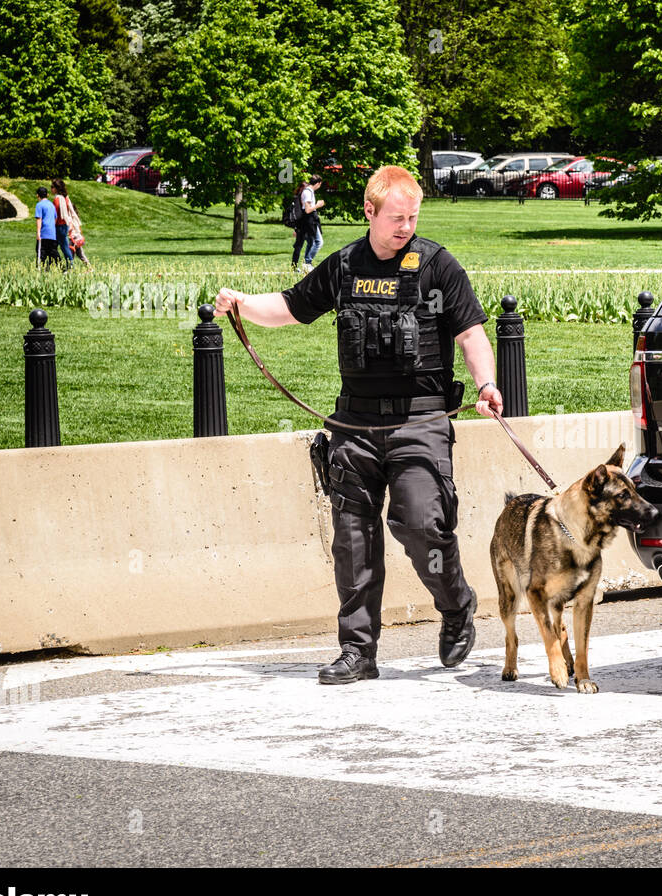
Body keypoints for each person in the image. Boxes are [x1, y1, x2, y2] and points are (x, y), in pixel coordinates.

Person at [214, 165, 504, 685]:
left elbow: (471, 333)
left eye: (413, 217)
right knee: (351, 538)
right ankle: (357, 650)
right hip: (354, 424)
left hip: (421, 420)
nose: (405, 227)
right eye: (396, 217)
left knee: (421, 525)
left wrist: (486, 384)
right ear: (369, 212)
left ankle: (455, 602)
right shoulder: (345, 265)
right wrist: (241, 304)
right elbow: (290, 307)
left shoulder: (437, 265)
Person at [292, 173, 324, 273]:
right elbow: (307, 210)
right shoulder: (308, 192)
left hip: (311, 220)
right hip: (309, 219)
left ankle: (306, 263)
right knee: (319, 242)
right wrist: (318, 205)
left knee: (310, 242)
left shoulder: (309, 191)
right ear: (318, 183)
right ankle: (307, 263)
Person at [50, 179, 79, 270]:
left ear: (57, 188)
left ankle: (70, 265)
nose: (51, 189)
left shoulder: (57, 199)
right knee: (56, 246)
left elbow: (55, 214)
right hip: (64, 225)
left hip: (59, 226)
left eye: (52, 187)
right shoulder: (65, 198)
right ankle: (56, 264)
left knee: (63, 247)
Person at [33, 186, 61, 268]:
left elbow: (39, 219)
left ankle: (39, 268)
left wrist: (38, 233)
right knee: (53, 251)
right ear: (47, 195)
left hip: (44, 232)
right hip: (52, 233)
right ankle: (61, 267)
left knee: (41, 251)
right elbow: (55, 218)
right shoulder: (51, 205)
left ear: (37, 195)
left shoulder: (39, 205)